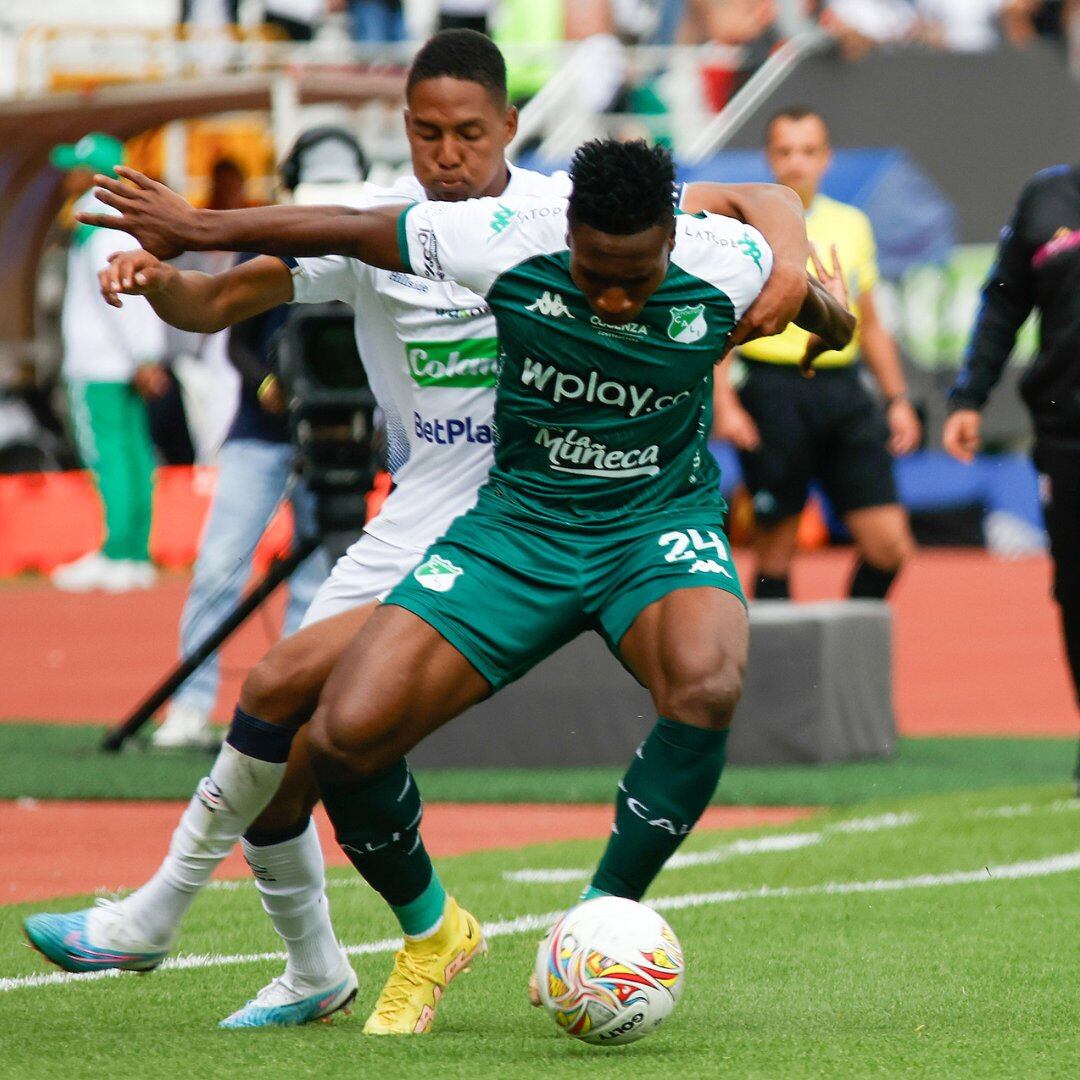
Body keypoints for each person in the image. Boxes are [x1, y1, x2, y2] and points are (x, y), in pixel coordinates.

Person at [21, 31, 828, 1033]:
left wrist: (798, 277)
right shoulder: (400, 226)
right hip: (453, 517)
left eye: (468, 133)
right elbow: (228, 294)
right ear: (401, 127)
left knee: (289, 699)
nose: (447, 153)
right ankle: (333, 952)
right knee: (313, 726)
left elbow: (756, 217)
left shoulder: (560, 211)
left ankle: (174, 913)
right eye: (427, 132)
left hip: (584, 511)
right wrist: (173, 262)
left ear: (510, 128)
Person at [153, 138, 364, 751]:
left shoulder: (370, 247)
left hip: (339, 441)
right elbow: (235, 339)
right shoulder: (270, 239)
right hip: (260, 432)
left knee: (318, 578)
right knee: (221, 564)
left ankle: (296, 710)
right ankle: (191, 707)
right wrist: (271, 385)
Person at [715, 106, 921, 601]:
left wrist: (897, 399)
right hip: (771, 390)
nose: (796, 162)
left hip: (841, 389)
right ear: (769, 157)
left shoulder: (852, 224)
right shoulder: (745, 226)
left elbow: (870, 326)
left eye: (808, 151)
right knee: (775, 552)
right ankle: (778, 673)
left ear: (826, 158)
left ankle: (842, 653)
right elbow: (725, 323)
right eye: (785, 151)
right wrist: (725, 404)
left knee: (889, 545)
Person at [942, 163, 1080, 792]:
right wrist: (970, 396)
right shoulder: (1046, 195)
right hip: (1068, 430)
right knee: (1076, 591)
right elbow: (1004, 300)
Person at [48, 133, 167, 593]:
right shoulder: (122, 223)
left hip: (102, 363)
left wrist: (142, 354)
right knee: (135, 455)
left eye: (74, 169)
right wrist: (147, 353)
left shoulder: (96, 224)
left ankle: (119, 550)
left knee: (110, 457)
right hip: (125, 359)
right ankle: (134, 550)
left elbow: (118, 293)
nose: (66, 178)